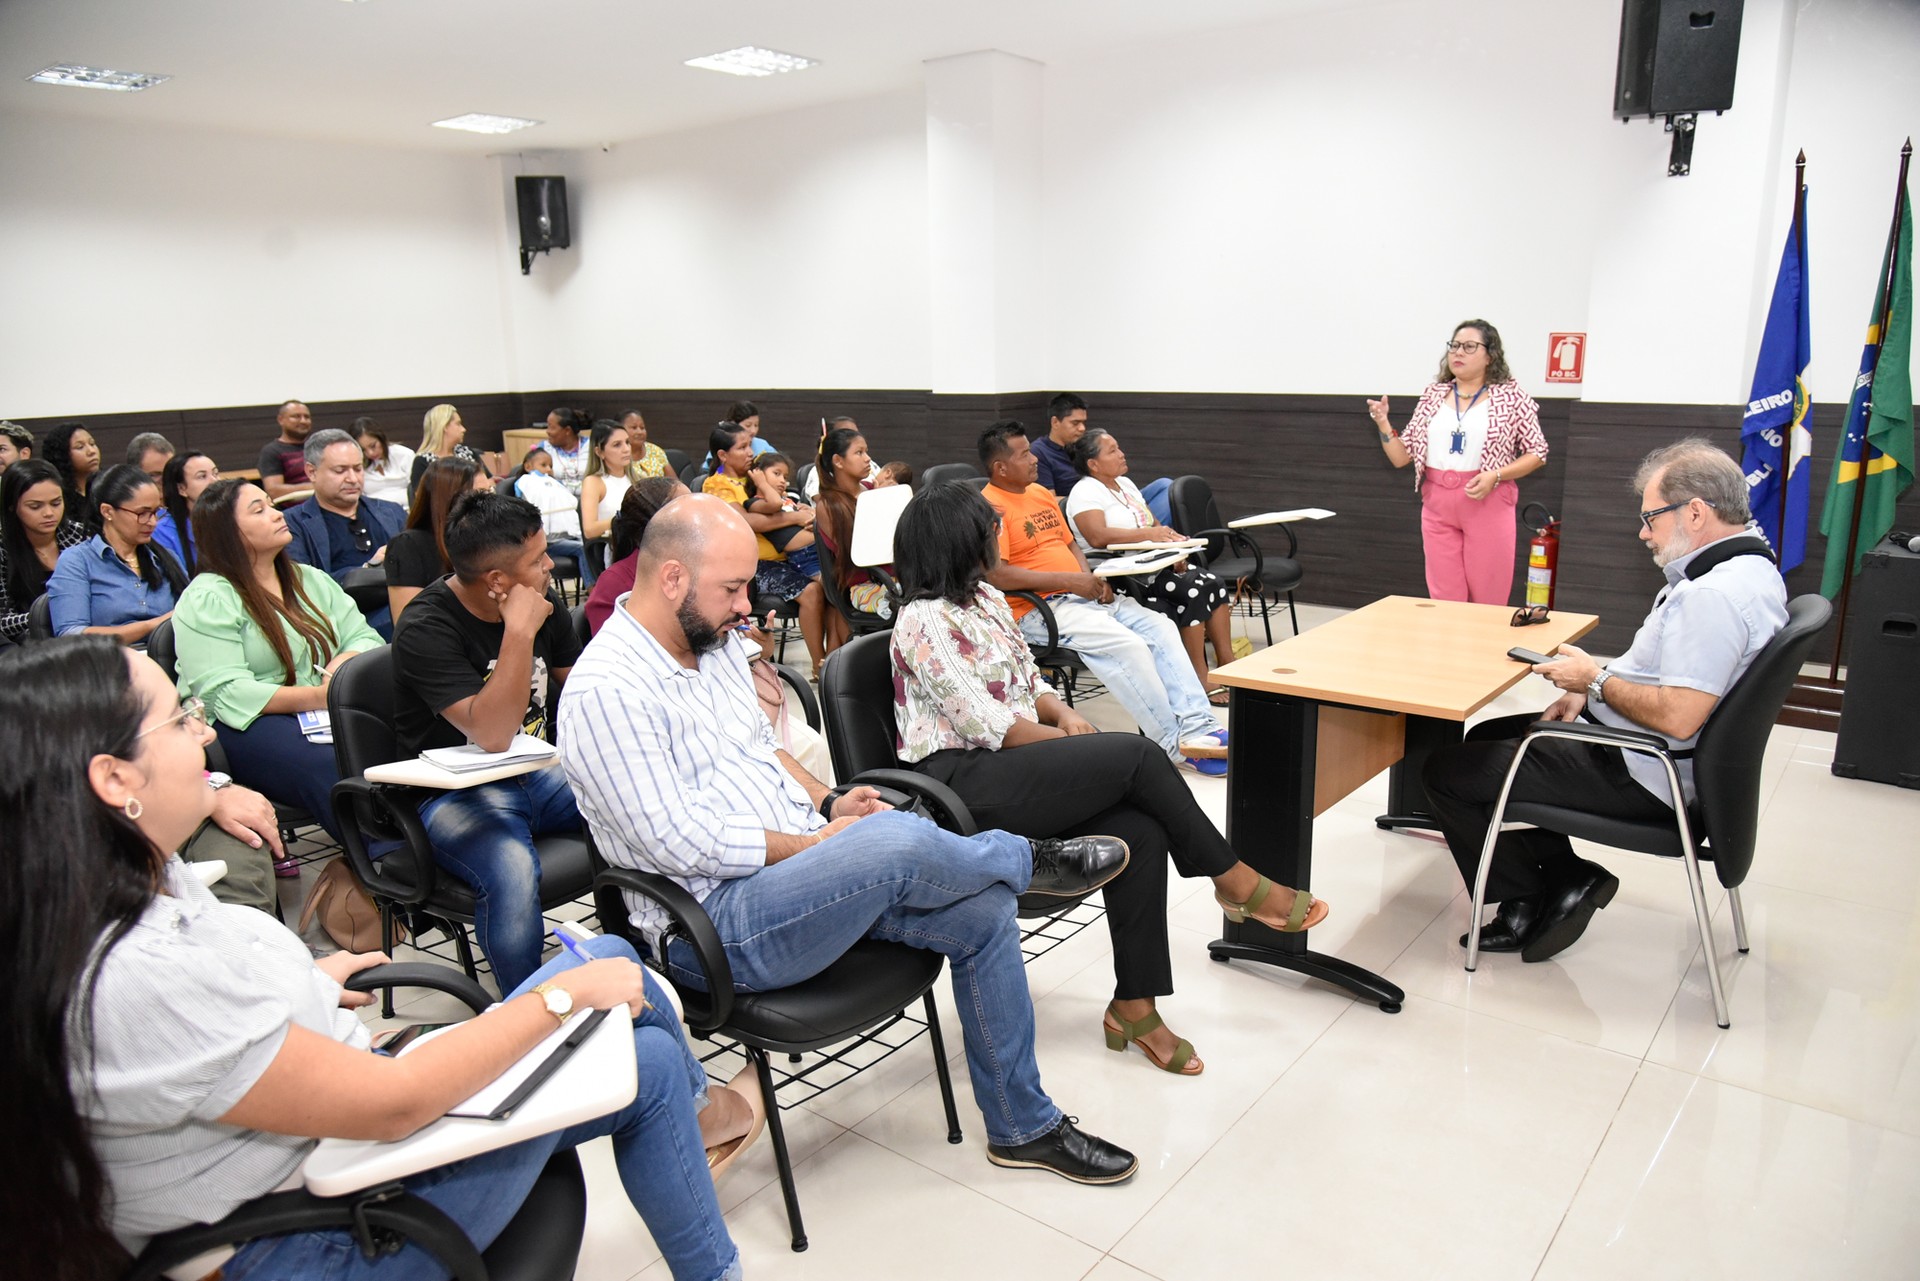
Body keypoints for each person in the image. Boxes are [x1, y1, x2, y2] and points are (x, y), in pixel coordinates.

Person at [0, 636, 746, 1281]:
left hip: (318, 1163)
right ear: (114, 779)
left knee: (623, 997)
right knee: (625, 1011)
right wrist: (560, 999)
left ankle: (711, 1194)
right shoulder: (135, 970)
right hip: (308, 1240)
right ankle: (708, 1124)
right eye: (180, 719)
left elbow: (208, 1036)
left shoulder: (108, 885)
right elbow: (396, 1104)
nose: (203, 735)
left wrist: (305, 982)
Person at [560, 493, 1139, 1185]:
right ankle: (1027, 859)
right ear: (673, 578)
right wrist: (825, 847)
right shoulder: (606, 689)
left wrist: (828, 800)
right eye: (733, 587)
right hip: (717, 926)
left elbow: (761, 752)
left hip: (798, 886)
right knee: (891, 842)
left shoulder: (707, 645)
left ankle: (1023, 1126)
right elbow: (685, 843)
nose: (748, 605)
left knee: (982, 913)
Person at [892, 482, 1328, 1075]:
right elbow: (989, 723)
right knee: (1138, 758)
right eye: (986, 531)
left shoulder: (987, 599)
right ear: (954, 542)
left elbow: (1030, 683)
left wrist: (1067, 716)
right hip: (962, 784)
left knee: (1141, 831)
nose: (997, 538)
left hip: (1009, 761)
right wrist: (1078, 745)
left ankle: (1134, 1006)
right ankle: (1236, 880)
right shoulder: (925, 621)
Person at [1424, 440, 1787, 964]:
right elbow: (1672, 679)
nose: (1643, 533)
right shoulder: (1750, 572)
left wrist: (1594, 681)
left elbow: (1681, 716)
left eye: (1651, 518)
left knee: (1447, 771)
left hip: (1645, 772)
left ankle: (1529, 897)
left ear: (1696, 512)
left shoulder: (1711, 598)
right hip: (1656, 753)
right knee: (1485, 738)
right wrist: (1589, 689)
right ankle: (1565, 879)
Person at [391, 490, 584, 994]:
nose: (550, 567)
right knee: (513, 871)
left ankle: (646, 957)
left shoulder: (544, 603)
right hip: (452, 792)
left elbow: (585, 686)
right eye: (537, 560)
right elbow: (493, 735)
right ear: (497, 581)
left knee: (633, 806)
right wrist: (517, 634)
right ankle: (529, 1015)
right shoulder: (425, 625)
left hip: (538, 771)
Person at [978, 421, 1230, 774]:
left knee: (1159, 626)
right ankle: (1176, 746)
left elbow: (1069, 543)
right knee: (1128, 646)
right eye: (1024, 454)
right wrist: (1070, 580)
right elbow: (997, 575)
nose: (1035, 458)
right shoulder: (989, 508)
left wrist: (1088, 578)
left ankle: (1198, 726)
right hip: (1037, 611)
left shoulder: (1039, 494)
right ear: (1000, 468)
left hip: (1079, 595)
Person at [173, 479, 383, 848]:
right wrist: (319, 696)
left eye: (271, 505)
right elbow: (227, 693)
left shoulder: (310, 579)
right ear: (228, 532)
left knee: (396, 738)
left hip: (323, 705)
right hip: (248, 723)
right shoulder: (208, 597)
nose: (276, 514)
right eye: (259, 510)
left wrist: (342, 666)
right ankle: (387, 864)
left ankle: (437, 838)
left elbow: (365, 638)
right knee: (332, 763)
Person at [1367, 319, 1549, 605]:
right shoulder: (1433, 395)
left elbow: (1538, 452)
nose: (1457, 353)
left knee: (1488, 596)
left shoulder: (1512, 397)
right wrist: (1383, 422)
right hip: (1437, 504)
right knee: (1444, 598)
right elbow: (1401, 457)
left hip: (1487, 498)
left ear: (1490, 356)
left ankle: (1483, 650)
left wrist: (1496, 475)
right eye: (1454, 346)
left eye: (1468, 347)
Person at [1065, 428, 1237, 703]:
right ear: (1093, 464)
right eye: (1112, 451)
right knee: (1191, 590)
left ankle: (1228, 665)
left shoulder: (1126, 484)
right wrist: (1149, 536)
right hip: (1118, 571)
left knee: (1212, 583)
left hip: (1150, 561)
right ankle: (1199, 676)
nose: (1122, 454)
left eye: (1119, 447)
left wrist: (1172, 546)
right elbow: (1097, 536)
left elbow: (1152, 523)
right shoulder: (1085, 491)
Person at [703, 421, 827, 675]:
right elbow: (746, 521)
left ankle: (831, 657)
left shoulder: (750, 478)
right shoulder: (719, 485)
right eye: (742, 447)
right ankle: (819, 665)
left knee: (833, 584)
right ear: (723, 455)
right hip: (754, 566)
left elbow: (777, 504)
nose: (750, 452)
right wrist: (794, 518)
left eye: (749, 445)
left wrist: (798, 509)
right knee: (813, 591)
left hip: (787, 557)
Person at [284, 428, 407, 638]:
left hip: (405, 607)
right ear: (311, 472)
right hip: (341, 623)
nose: (352, 479)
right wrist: (368, 570)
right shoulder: (292, 523)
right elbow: (303, 586)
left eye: (358, 469)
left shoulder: (391, 511)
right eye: (340, 471)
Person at [48, 463, 186, 643]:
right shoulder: (77, 561)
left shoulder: (164, 558)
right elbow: (71, 634)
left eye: (156, 512)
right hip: (108, 663)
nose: (152, 522)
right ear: (107, 511)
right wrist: (156, 625)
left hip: (168, 660)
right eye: (142, 513)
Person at [384, 454, 494, 623]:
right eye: (480, 495)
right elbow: (409, 624)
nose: (490, 503)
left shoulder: (487, 537)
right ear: (452, 500)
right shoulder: (408, 546)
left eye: (490, 492)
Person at [585, 476, 690, 635]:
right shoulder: (614, 584)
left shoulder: (699, 564)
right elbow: (611, 651)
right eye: (688, 512)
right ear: (655, 526)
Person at [0, 459, 89, 642]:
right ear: (12, 507)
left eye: (56, 503)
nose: (49, 513)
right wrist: (57, 611)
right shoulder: (3, 547)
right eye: (35, 506)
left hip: (85, 635)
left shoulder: (81, 535)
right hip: (24, 646)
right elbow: (2, 621)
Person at [812, 425, 893, 622]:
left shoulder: (870, 490)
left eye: (866, 451)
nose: (867, 459)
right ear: (838, 461)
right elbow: (857, 553)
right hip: (865, 585)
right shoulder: (828, 505)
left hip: (892, 576)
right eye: (859, 453)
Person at [513, 446, 591, 587]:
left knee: (593, 544)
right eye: (543, 465)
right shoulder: (525, 483)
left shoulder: (556, 484)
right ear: (528, 466)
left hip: (568, 535)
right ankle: (592, 587)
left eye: (551, 466)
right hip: (550, 541)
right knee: (582, 548)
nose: (549, 469)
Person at [152, 450, 219, 575]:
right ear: (181, 489)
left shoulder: (228, 519)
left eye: (215, 474)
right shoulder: (162, 532)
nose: (214, 481)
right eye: (202, 476)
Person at [409, 402, 493, 499]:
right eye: (458, 424)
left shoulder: (468, 453)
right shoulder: (423, 461)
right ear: (444, 426)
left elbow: (489, 481)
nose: (463, 429)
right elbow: (422, 498)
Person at [579, 418, 639, 547]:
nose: (626, 449)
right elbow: (589, 530)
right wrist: (624, 518)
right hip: (615, 548)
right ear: (599, 452)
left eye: (627, 442)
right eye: (617, 445)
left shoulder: (638, 478)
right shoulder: (594, 482)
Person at [42, 421, 104, 532]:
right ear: (63, 455)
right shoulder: (59, 496)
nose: (91, 451)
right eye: (80, 447)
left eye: (92, 443)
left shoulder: (105, 488)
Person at [256, 400, 314, 502]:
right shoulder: (271, 451)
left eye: (307, 417)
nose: (303, 421)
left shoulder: (316, 446)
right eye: (296, 416)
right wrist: (316, 486)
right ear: (280, 419)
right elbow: (273, 491)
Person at [356, 418, 416, 507]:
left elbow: (417, 489)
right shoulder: (357, 464)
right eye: (363, 450)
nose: (370, 453)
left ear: (381, 438)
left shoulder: (404, 454)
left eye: (373, 446)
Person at [543, 406, 592, 495]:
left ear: (567, 430)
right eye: (547, 426)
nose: (548, 431)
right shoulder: (544, 449)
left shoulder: (592, 447)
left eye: (552, 427)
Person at [621, 408, 672, 479]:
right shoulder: (617, 455)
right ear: (620, 430)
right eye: (634, 427)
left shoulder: (655, 450)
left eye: (642, 428)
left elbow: (674, 483)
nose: (640, 432)